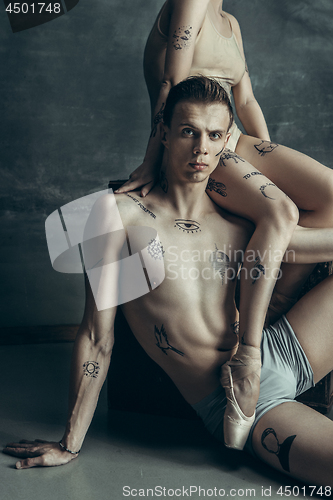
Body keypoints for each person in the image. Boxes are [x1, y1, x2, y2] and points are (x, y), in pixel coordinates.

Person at [3, 77, 333, 487]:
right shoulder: (118, 216)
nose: (201, 150)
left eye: (214, 136)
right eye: (188, 132)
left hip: (281, 347)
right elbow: (95, 335)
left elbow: (311, 232)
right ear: (162, 131)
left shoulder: (241, 216)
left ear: (228, 139)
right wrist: (70, 442)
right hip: (239, 401)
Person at [114, 0, 333, 441]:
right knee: (282, 212)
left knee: (327, 197)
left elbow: (245, 97)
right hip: (200, 142)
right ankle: (249, 354)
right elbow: (171, 82)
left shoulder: (229, 22)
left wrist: (267, 171)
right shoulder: (188, 3)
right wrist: (151, 159)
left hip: (235, 141)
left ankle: (274, 308)